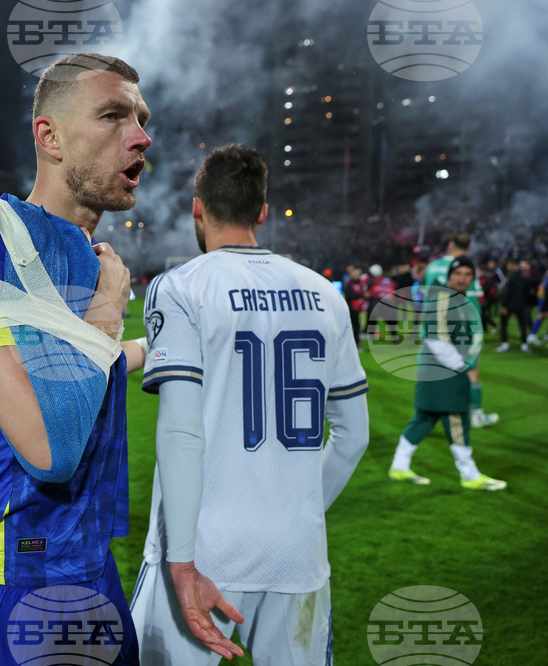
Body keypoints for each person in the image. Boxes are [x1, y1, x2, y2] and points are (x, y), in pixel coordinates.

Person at [0, 53, 151, 665]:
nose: (141, 135)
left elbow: (70, 363)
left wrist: (152, 350)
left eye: (142, 118)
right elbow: (51, 449)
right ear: (48, 136)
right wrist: (106, 318)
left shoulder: (90, 255)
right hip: (5, 581)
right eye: (113, 115)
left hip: (92, 568)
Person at [129, 145, 369, 665]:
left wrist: (182, 556)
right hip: (296, 549)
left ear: (198, 208)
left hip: (203, 549)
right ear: (262, 212)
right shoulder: (326, 294)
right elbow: (353, 435)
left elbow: (181, 432)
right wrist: (295, 508)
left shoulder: (181, 287)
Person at [389, 257, 507, 491]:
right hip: (444, 369)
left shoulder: (455, 299)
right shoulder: (443, 297)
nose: (462, 278)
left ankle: (399, 466)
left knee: (425, 416)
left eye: (467, 274)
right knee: (456, 420)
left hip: (438, 368)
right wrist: (461, 365)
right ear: (450, 275)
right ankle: (469, 474)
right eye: (458, 273)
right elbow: (436, 337)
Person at [423, 234, 498, 428]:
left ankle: (429, 415)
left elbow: (426, 297)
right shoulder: (467, 268)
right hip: (460, 326)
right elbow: (471, 300)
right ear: (469, 247)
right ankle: (476, 414)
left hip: (434, 327)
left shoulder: (432, 267)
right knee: (471, 369)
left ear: (450, 245)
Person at [496, 258, 533, 353]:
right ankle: (524, 345)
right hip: (521, 304)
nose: (508, 267)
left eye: (510, 264)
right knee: (522, 325)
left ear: (515, 265)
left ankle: (505, 344)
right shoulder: (524, 276)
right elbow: (528, 292)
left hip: (510, 305)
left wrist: (504, 305)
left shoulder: (511, 277)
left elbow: (507, 292)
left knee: (504, 324)